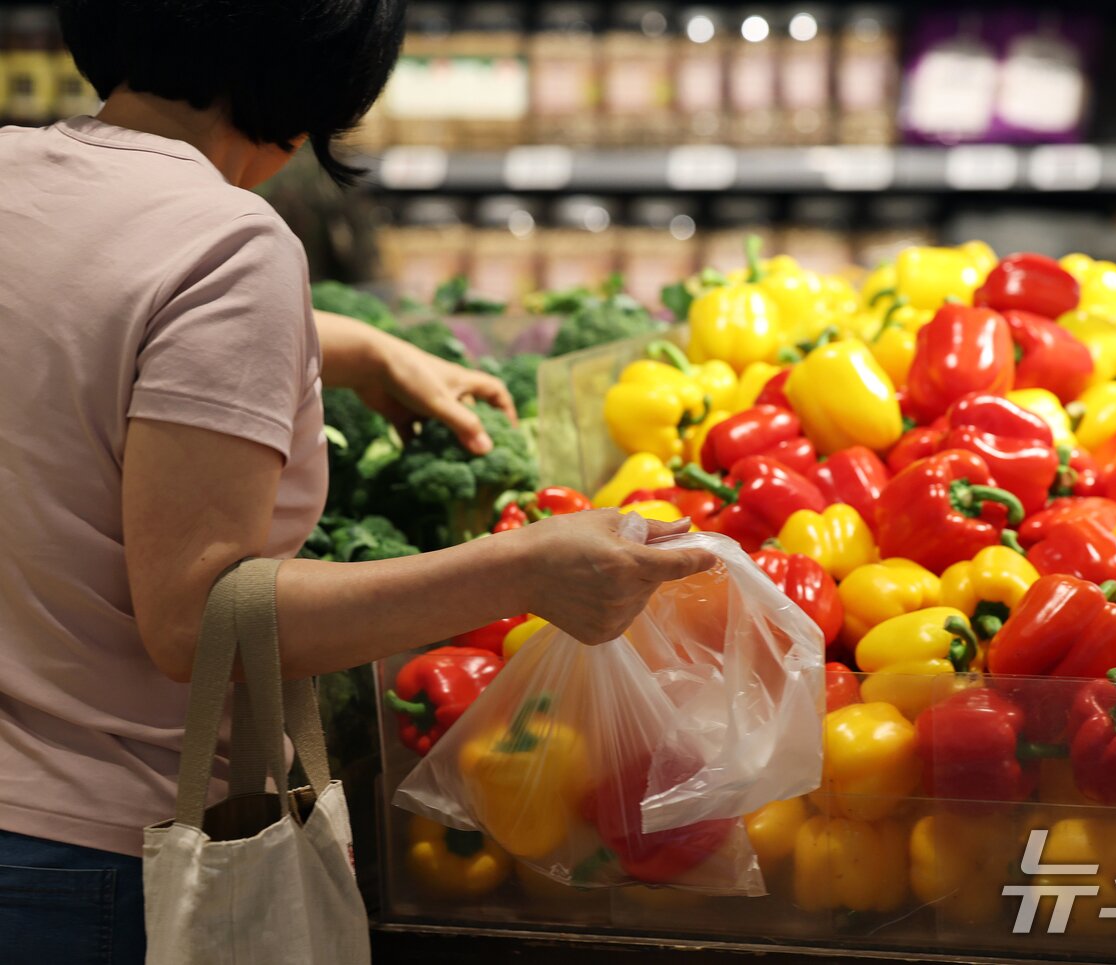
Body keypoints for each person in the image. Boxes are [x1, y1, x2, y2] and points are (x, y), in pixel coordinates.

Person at [0, 2, 715, 962]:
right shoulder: (228, 246)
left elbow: (80, 316)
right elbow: (198, 618)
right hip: (110, 866)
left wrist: (346, 344)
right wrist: (517, 571)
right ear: (316, 86)